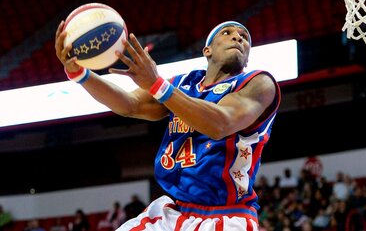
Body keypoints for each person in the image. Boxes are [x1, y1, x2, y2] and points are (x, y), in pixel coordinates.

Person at [55, 20, 281, 230]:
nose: (238, 38)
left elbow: (220, 124)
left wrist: (157, 85)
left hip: (226, 216)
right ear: (207, 50)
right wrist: (80, 74)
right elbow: (129, 104)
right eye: (228, 33)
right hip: (174, 211)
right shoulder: (183, 84)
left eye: (244, 37)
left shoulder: (259, 84)